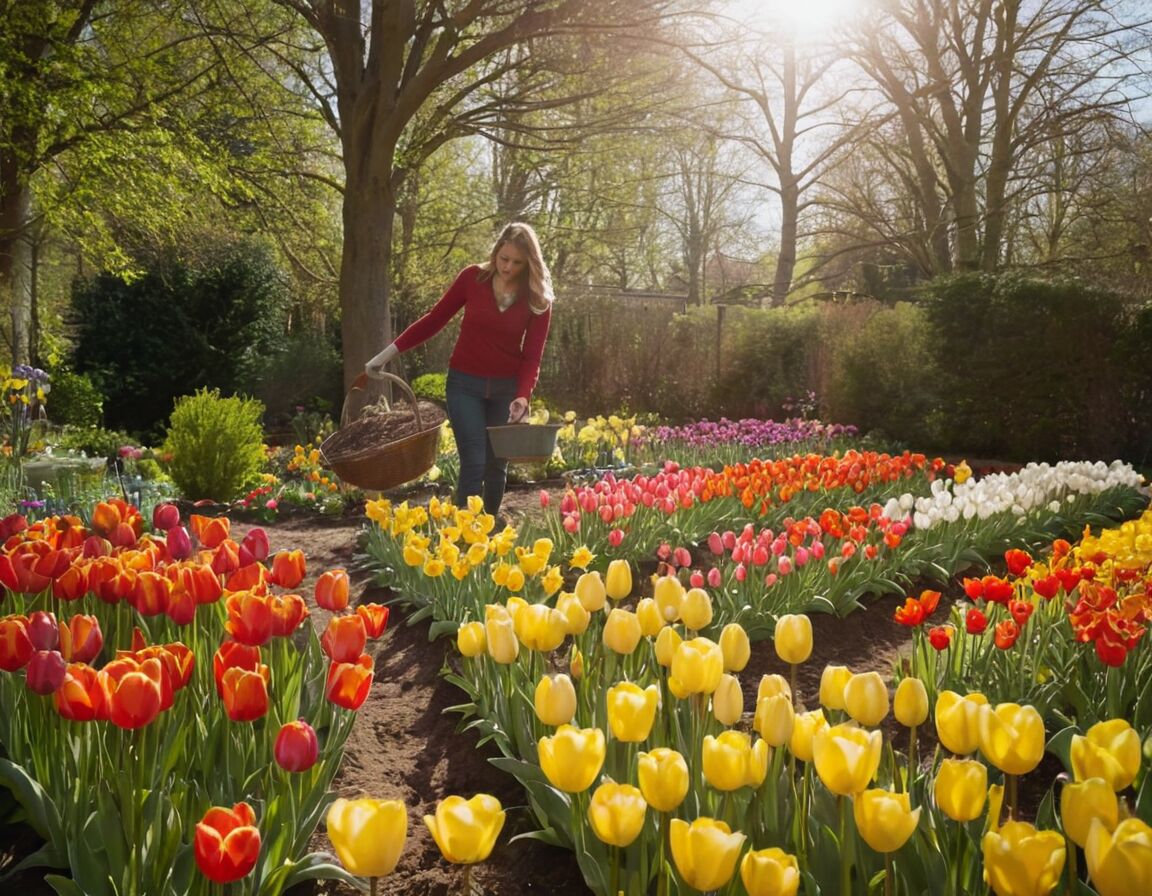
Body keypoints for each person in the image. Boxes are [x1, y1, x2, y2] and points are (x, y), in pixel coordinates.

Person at [365, 222, 554, 516]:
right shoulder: (472, 278)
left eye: (517, 263)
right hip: (465, 385)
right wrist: (385, 355)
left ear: (529, 263)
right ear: (496, 251)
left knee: (496, 467)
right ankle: (460, 533)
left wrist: (522, 396)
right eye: (503, 259)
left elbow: (532, 357)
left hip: (506, 390)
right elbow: (433, 320)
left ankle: (488, 531)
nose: (508, 267)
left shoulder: (537, 298)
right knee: (474, 461)